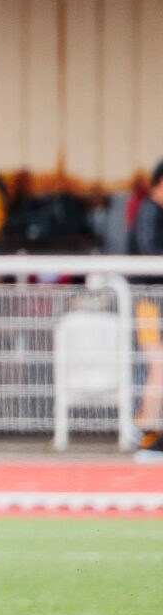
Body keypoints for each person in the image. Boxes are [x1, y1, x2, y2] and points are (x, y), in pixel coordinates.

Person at [130, 160, 163, 454]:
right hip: (149, 303)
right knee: (158, 365)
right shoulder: (149, 213)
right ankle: (147, 431)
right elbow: (152, 254)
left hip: (155, 301)